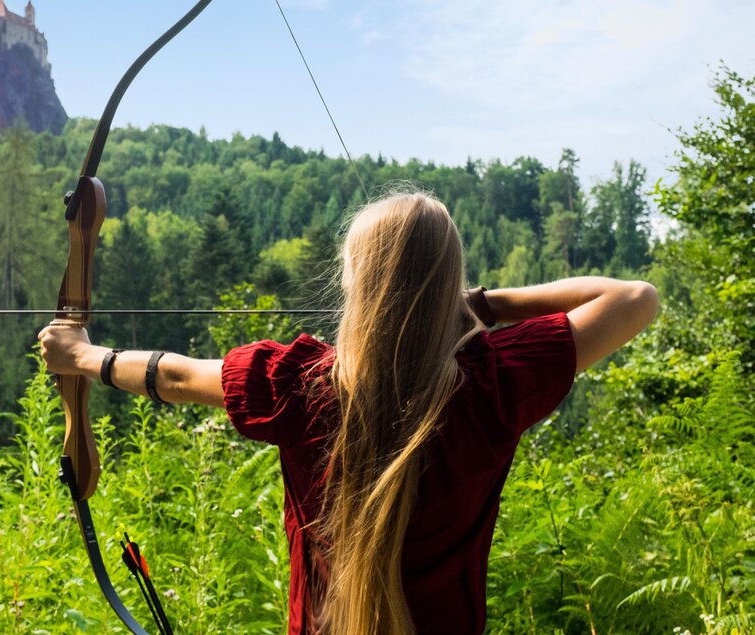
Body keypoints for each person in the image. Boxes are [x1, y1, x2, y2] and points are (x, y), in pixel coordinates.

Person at [38, 191, 658, 635]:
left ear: (355, 282)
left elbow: (171, 377)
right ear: (450, 281)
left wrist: (85, 354)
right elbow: (634, 298)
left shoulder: (296, 384)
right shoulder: (494, 383)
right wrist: (478, 306)